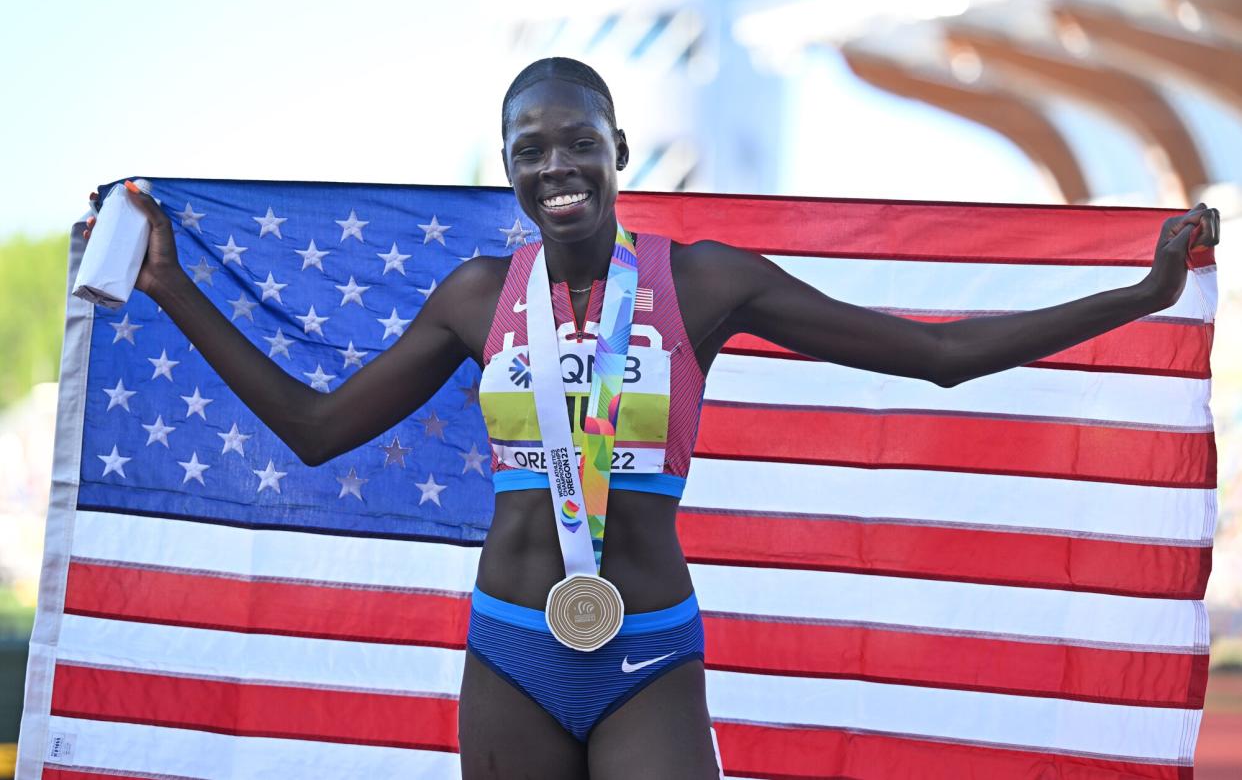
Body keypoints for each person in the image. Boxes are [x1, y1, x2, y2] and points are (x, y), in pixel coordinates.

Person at [84, 57, 1219, 780]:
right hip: (513, 644)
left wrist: (1141, 294)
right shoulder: (479, 295)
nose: (557, 163)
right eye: (531, 147)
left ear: (619, 150)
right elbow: (317, 427)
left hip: (648, 650)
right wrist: (174, 284)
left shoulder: (706, 282)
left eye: (578, 139)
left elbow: (933, 356)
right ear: (512, 169)